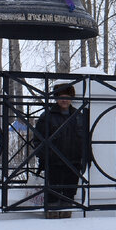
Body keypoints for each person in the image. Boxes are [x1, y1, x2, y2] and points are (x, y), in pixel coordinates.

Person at [33, 82, 88, 212]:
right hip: (53, 163)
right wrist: (45, 156)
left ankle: (66, 222)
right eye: (61, 96)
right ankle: (52, 220)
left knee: (69, 196)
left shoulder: (78, 116)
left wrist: (83, 158)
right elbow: (38, 139)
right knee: (52, 195)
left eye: (67, 96)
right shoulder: (47, 116)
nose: (64, 100)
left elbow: (85, 139)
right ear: (56, 98)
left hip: (73, 162)